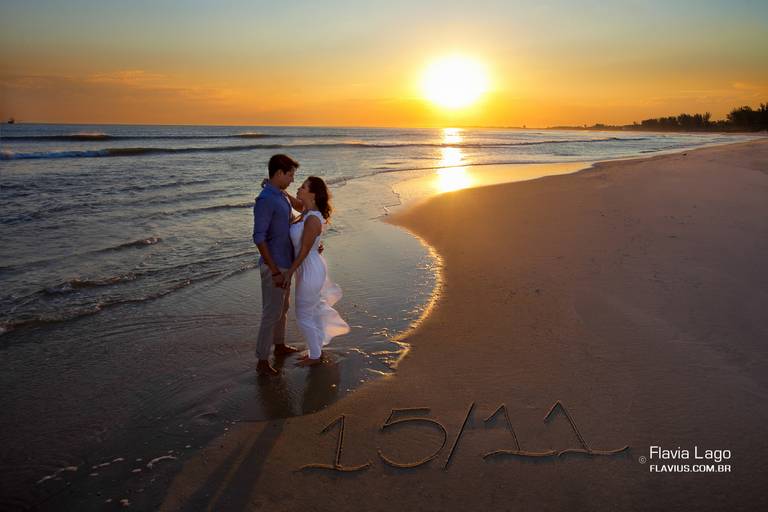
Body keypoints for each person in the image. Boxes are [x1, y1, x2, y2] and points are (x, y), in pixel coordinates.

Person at [282, 176, 350, 366]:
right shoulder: (307, 211)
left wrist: (289, 272)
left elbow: (304, 250)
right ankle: (315, 350)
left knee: (303, 315)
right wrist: (281, 192)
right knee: (309, 312)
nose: (299, 188)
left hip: (309, 269)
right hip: (308, 266)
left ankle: (315, 355)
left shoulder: (312, 218)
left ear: (312, 194)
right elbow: (296, 203)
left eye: (303, 187)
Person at [252, 154, 302, 376]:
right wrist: (274, 271)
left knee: (283, 309)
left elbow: (291, 220)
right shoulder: (265, 200)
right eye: (290, 174)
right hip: (274, 267)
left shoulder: (280, 195)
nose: (292, 179)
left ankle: (279, 346)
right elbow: (259, 238)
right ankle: (262, 361)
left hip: (286, 264)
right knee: (271, 313)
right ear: (280, 173)